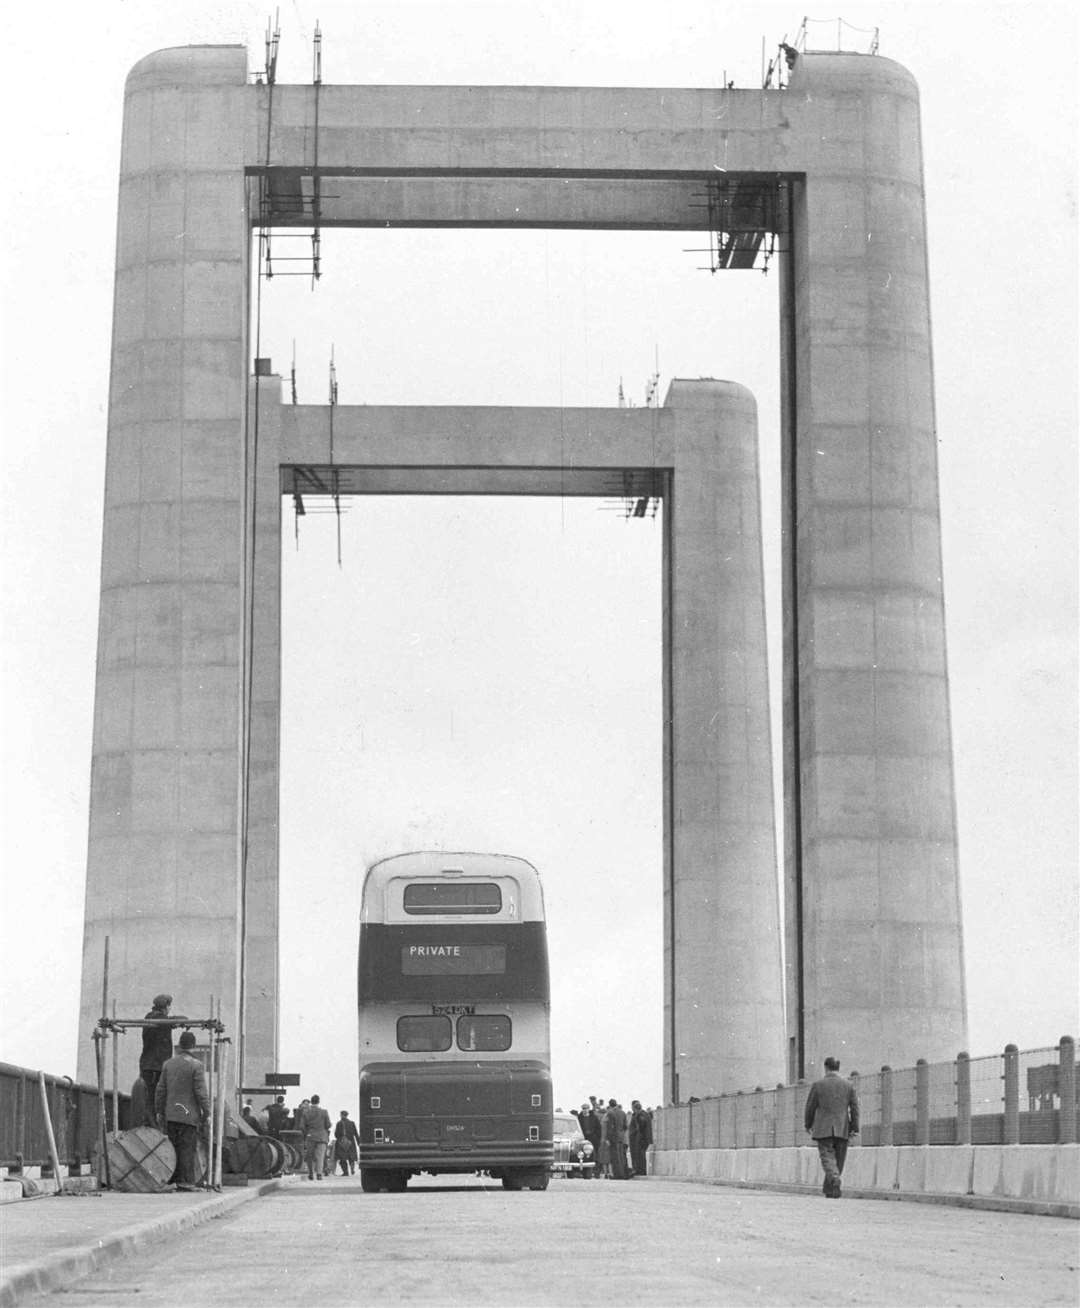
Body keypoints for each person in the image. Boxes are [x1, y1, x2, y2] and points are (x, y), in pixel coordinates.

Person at [154, 1030, 209, 1191]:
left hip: (171, 1114)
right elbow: (201, 1092)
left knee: (173, 1148)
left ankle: (173, 1180)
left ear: (180, 1045)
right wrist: (207, 1112)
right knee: (187, 1148)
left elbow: (160, 1090)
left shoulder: (168, 1064)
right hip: (189, 1115)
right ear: (193, 1046)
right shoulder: (196, 1065)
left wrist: (159, 1110)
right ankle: (186, 1182)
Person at [804, 1056, 859, 1198]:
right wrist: (855, 1127)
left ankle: (834, 1180)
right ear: (838, 1068)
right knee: (839, 1160)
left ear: (826, 1067)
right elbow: (854, 1108)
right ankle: (831, 1190)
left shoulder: (818, 1085)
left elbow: (810, 1107)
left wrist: (808, 1124)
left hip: (823, 1128)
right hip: (843, 1127)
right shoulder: (848, 1085)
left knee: (827, 1158)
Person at [139, 994, 182, 1099]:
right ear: (166, 1006)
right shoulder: (161, 1019)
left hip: (147, 1065)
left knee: (148, 1096)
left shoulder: (149, 1017)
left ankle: (151, 1115)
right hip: (156, 1066)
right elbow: (171, 1021)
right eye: (169, 1006)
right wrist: (182, 1021)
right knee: (158, 1096)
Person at [298, 1093, 332, 1180]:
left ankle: (311, 1173)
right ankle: (319, 1174)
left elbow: (301, 1126)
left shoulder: (306, 1112)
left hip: (310, 1136)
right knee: (320, 1156)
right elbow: (328, 1125)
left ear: (311, 1101)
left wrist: (307, 1132)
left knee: (310, 1156)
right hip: (322, 1137)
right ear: (318, 1102)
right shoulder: (324, 1112)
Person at [603, 1099, 628, 1179]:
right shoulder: (623, 1113)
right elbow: (625, 1126)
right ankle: (623, 1174)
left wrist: (607, 1138)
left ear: (610, 1105)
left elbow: (609, 1127)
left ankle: (617, 1175)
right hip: (621, 1137)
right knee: (621, 1156)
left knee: (615, 1157)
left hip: (613, 1137)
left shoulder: (610, 1113)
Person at [576, 1102, 601, 1177]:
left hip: (593, 1139)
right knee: (582, 1155)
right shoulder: (579, 1118)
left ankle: (596, 1172)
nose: (585, 1110)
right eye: (583, 1109)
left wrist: (597, 1138)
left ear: (589, 1109)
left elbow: (598, 1128)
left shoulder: (594, 1117)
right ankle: (582, 1171)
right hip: (583, 1139)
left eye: (586, 1108)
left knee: (594, 1155)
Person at [628, 1100, 653, 1177]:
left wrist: (636, 1135)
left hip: (641, 1138)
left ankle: (640, 1170)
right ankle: (640, 1170)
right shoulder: (645, 1114)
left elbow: (640, 1127)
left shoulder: (640, 1115)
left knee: (640, 1155)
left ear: (635, 1108)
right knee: (640, 1155)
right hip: (644, 1138)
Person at [334, 1110, 359, 1176]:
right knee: (351, 1157)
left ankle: (345, 1172)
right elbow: (356, 1133)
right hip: (351, 1142)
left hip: (341, 1143)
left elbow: (336, 1135)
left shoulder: (339, 1123)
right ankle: (352, 1169)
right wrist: (359, 1143)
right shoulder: (352, 1123)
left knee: (342, 1158)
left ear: (341, 1115)